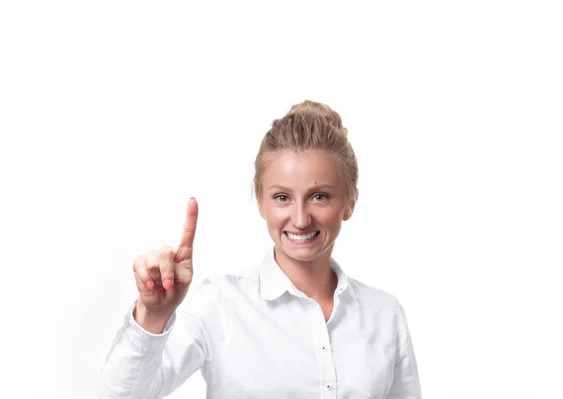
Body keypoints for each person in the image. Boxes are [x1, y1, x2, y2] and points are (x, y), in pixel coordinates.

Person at [98, 100, 422, 398]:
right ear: (261, 203)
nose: (300, 218)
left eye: (319, 196)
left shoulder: (385, 313)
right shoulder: (220, 304)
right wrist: (152, 316)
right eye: (282, 197)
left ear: (350, 202)